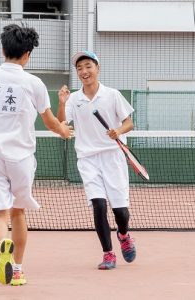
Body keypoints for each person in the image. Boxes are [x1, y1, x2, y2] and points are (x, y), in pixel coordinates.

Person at [0, 24, 73, 286]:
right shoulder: (33, 83)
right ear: (27, 54)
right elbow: (49, 122)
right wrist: (64, 132)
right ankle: (19, 269)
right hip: (21, 157)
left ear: (3, 49)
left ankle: (4, 243)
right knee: (19, 213)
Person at [57, 51, 137, 270]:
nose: (84, 71)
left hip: (113, 156)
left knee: (120, 211)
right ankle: (108, 253)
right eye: (80, 68)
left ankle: (123, 234)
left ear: (97, 68)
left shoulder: (112, 95)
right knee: (99, 205)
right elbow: (62, 123)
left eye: (88, 66)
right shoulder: (74, 98)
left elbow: (129, 122)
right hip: (88, 158)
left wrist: (118, 131)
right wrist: (62, 102)